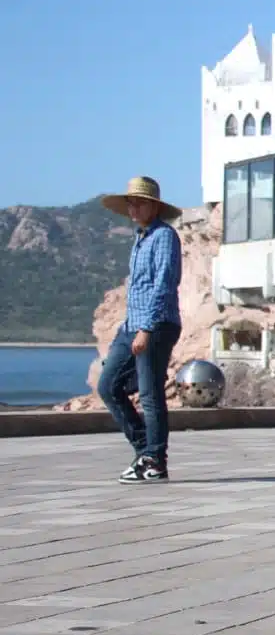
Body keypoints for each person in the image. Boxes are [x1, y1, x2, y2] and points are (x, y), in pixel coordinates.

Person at [97, 177, 184, 482]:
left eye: (139, 202)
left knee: (149, 394)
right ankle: (144, 450)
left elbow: (163, 284)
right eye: (130, 202)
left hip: (156, 325)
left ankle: (155, 461)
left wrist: (146, 329)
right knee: (108, 386)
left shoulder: (164, 237)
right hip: (131, 325)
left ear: (154, 206)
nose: (133, 207)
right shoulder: (140, 238)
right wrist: (131, 327)